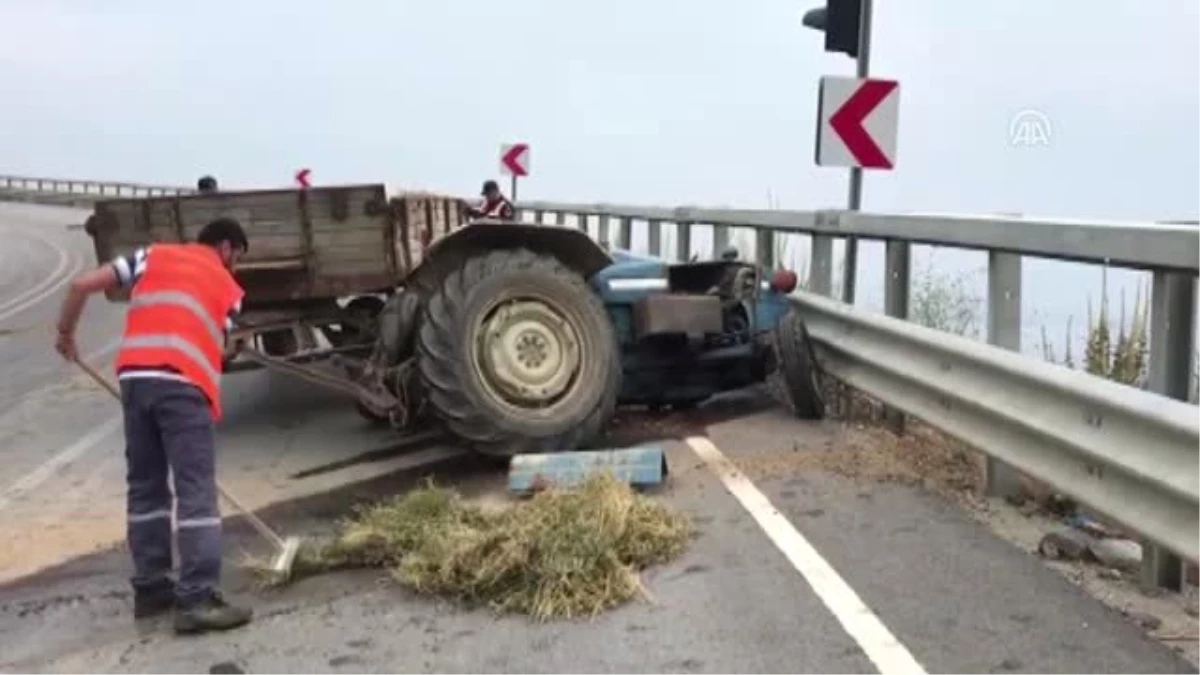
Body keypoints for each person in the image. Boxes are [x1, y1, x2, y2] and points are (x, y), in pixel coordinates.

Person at [54, 218, 253, 635]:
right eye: (238, 255)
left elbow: (79, 285)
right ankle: (197, 598)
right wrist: (231, 342)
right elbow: (221, 346)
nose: (236, 264)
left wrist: (65, 333)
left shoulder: (153, 255)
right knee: (196, 491)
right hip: (182, 387)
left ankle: (152, 590)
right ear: (227, 248)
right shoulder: (227, 287)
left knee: (146, 488)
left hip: (135, 382)